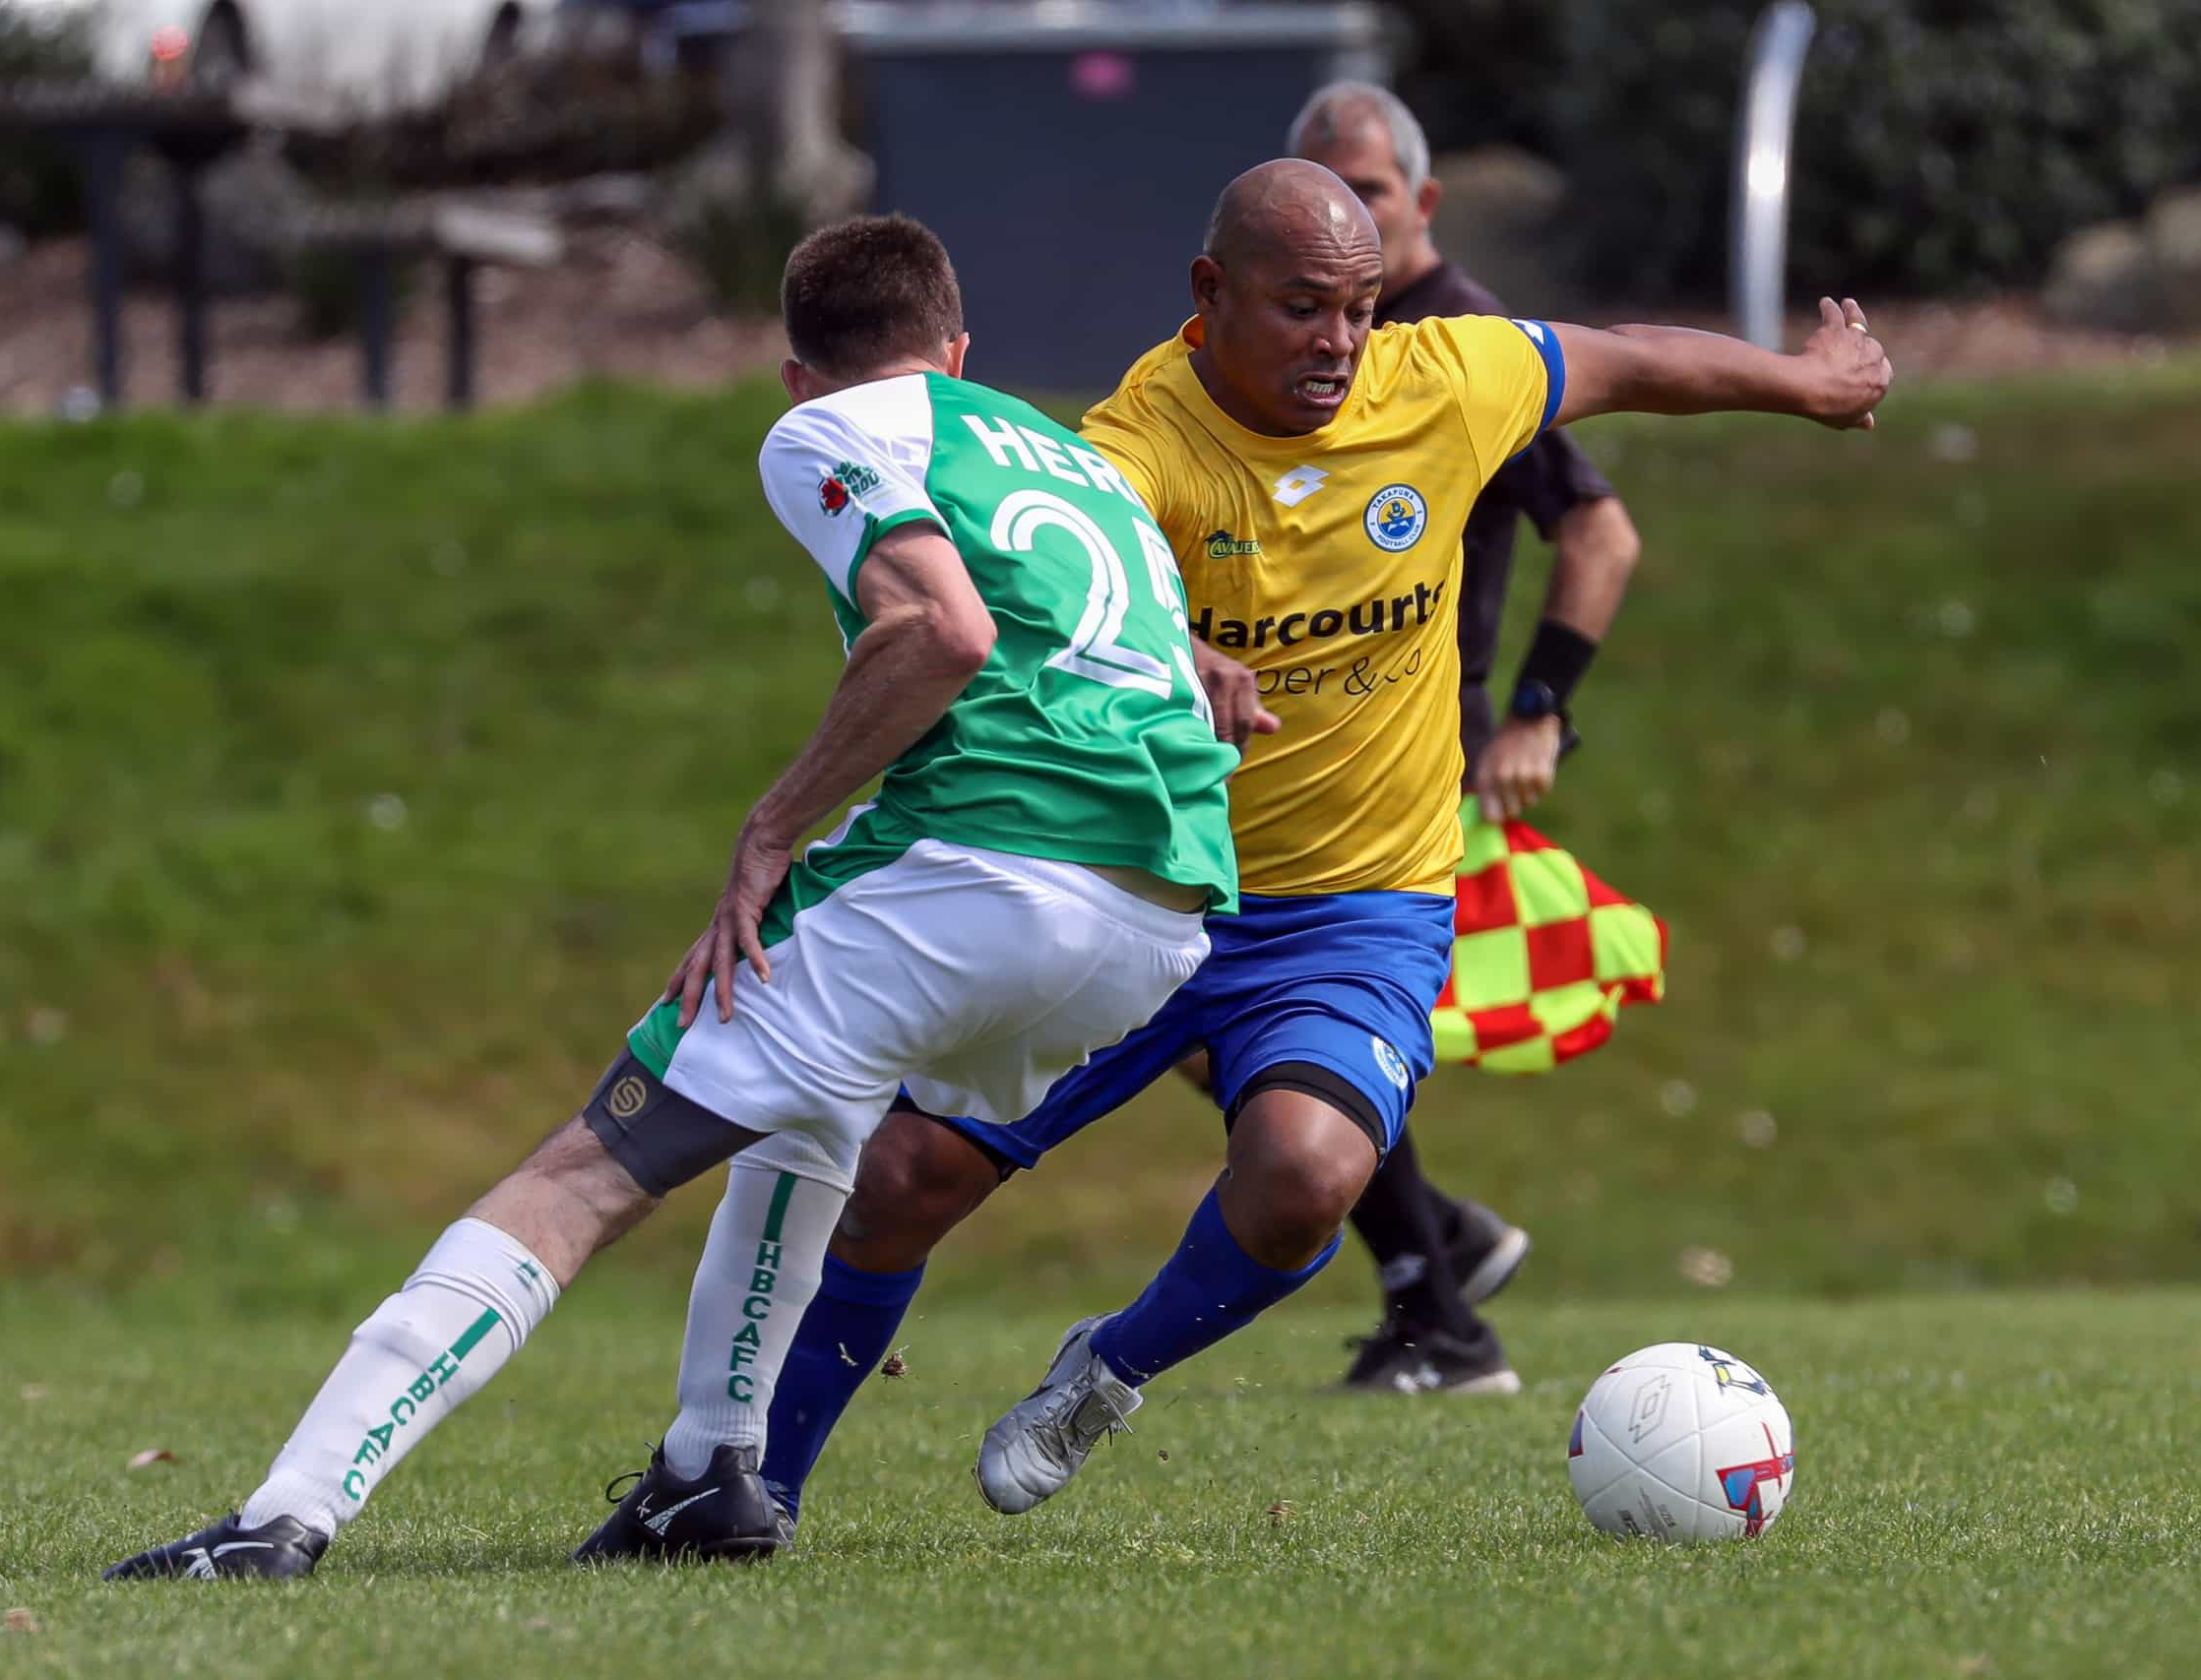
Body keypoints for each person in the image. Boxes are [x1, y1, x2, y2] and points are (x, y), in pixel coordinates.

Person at [718, 158, 1888, 1536]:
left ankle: (1107, 1371)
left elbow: (1629, 361)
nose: (1339, 343)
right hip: (1149, 887)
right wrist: (1180, 644)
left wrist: (1804, 382)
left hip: (1359, 904)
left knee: (1307, 1179)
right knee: (906, 1179)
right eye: (1302, 309)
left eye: (1360, 307)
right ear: (1208, 297)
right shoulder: (1140, 437)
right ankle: (752, 1493)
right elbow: (1063, 582)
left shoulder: (1439, 382)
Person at [100, 214, 1240, 1577]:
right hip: (1161, 911)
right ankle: (712, 1472)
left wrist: (768, 829)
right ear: (957, 347)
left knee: (582, 1174)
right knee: (817, 1086)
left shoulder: (834, 426)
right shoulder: (1073, 456)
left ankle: (285, 1512)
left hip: (985, 867)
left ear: (795, 375)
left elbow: (942, 627)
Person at [1272, 81, 1651, 1397]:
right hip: (1296, 748)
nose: (1345, 219)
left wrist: (1541, 707)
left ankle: (1438, 1304)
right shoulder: (1299, 339)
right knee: (1257, 1024)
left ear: (1422, 204)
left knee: (1273, 1021)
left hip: (1415, 752)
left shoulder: (1468, 345)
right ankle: (1440, 1255)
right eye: (1320, 190)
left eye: (1370, 195)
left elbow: (1599, 532)